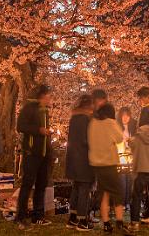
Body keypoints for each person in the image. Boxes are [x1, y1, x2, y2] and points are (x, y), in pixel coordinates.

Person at [88, 103, 132, 234]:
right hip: (109, 162)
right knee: (118, 192)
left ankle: (106, 224)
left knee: (104, 193)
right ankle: (119, 222)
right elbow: (119, 138)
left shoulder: (92, 123)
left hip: (96, 164)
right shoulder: (111, 123)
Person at [15, 85, 54, 230]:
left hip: (44, 154)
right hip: (32, 153)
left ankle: (38, 216)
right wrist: (39, 130)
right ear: (42, 96)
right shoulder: (29, 108)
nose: (50, 98)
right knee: (27, 185)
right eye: (48, 96)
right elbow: (20, 126)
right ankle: (21, 216)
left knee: (41, 185)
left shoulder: (45, 111)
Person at [66, 94, 95, 231]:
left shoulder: (74, 118)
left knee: (76, 188)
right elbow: (87, 140)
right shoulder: (86, 119)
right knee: (84, 189)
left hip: (73, 158)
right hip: (84, 158)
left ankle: (72, 218)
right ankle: (83, 221)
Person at [117, 107, 138, 210]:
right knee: (122, 180)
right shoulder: (117, 127)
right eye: (123, 115)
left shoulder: (133, 127)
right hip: (120, 158)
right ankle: (122, 202)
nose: (125, 118)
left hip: (131, 157)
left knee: (130, 180)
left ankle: (128, 202)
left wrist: (131, 141)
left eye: (127, 115)